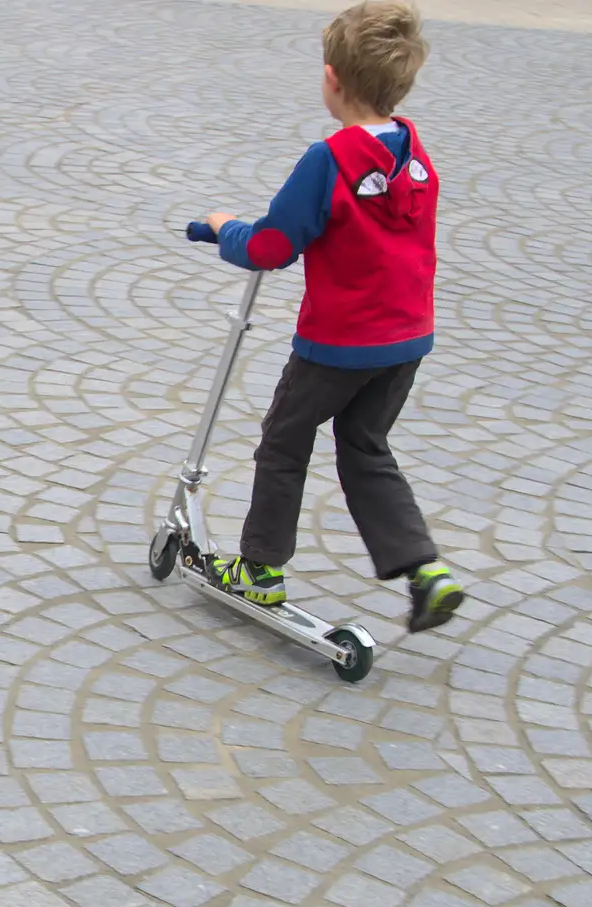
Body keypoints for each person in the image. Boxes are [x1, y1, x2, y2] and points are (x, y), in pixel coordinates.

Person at [201, 0, 464, 633]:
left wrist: (219, 229)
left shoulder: (330, 159)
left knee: (285, 439)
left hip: (338, 344)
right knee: (366, 446)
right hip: (406, 340)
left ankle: (260, 571)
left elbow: (270, 247)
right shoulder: (415, 155)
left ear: (331, 79)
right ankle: (424, 570)